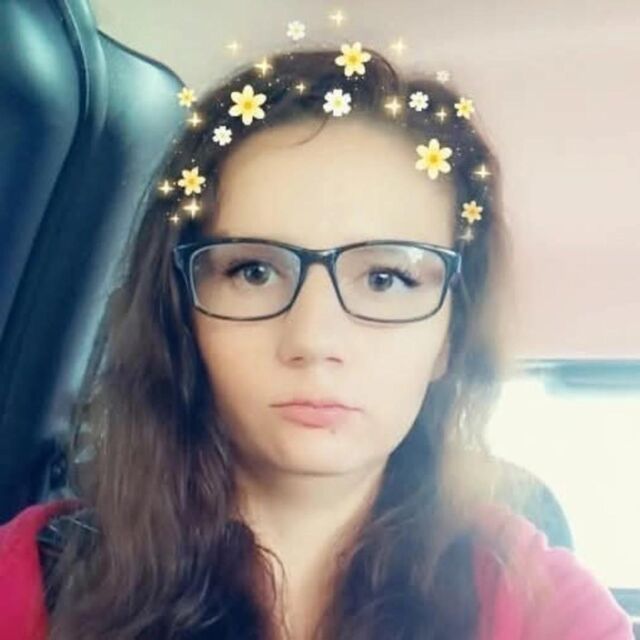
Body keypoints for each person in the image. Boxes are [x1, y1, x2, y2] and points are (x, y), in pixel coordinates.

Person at [0, 44, 633, 640]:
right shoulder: (29, 576)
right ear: (182, 311)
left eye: (386, 279)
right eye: (253, 271)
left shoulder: (544, 606)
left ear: (449, 336)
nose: (314, 340)